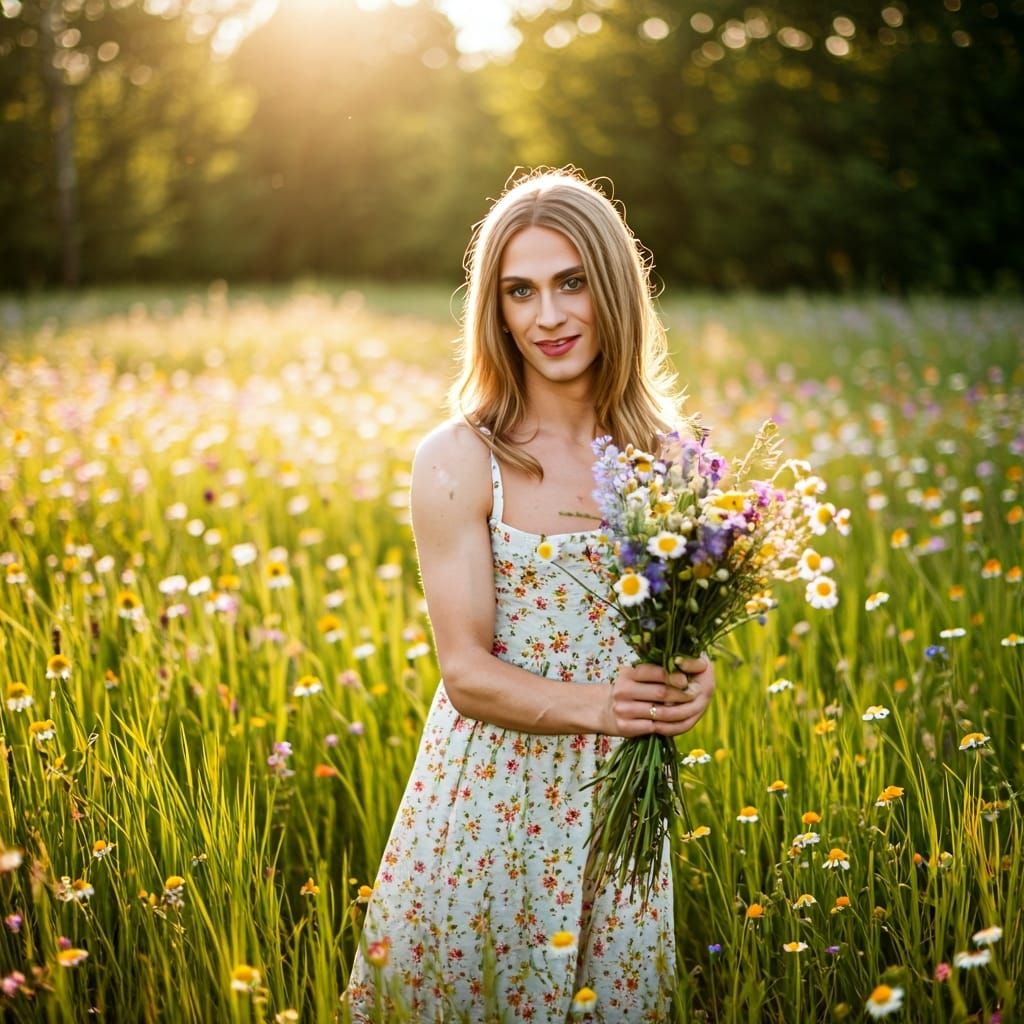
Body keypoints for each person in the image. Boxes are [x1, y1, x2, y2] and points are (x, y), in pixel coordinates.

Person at [344, 168, 716, 1023]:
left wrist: (689, 685)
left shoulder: (678, 460)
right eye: (520, 291)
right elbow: (466, 673)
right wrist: (604, 709)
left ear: (614, 289)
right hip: (488, 807)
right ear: (495, 310)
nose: (547, 317)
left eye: (571, 283)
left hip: (620, 815)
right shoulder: (461, 458)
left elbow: (675, 645)